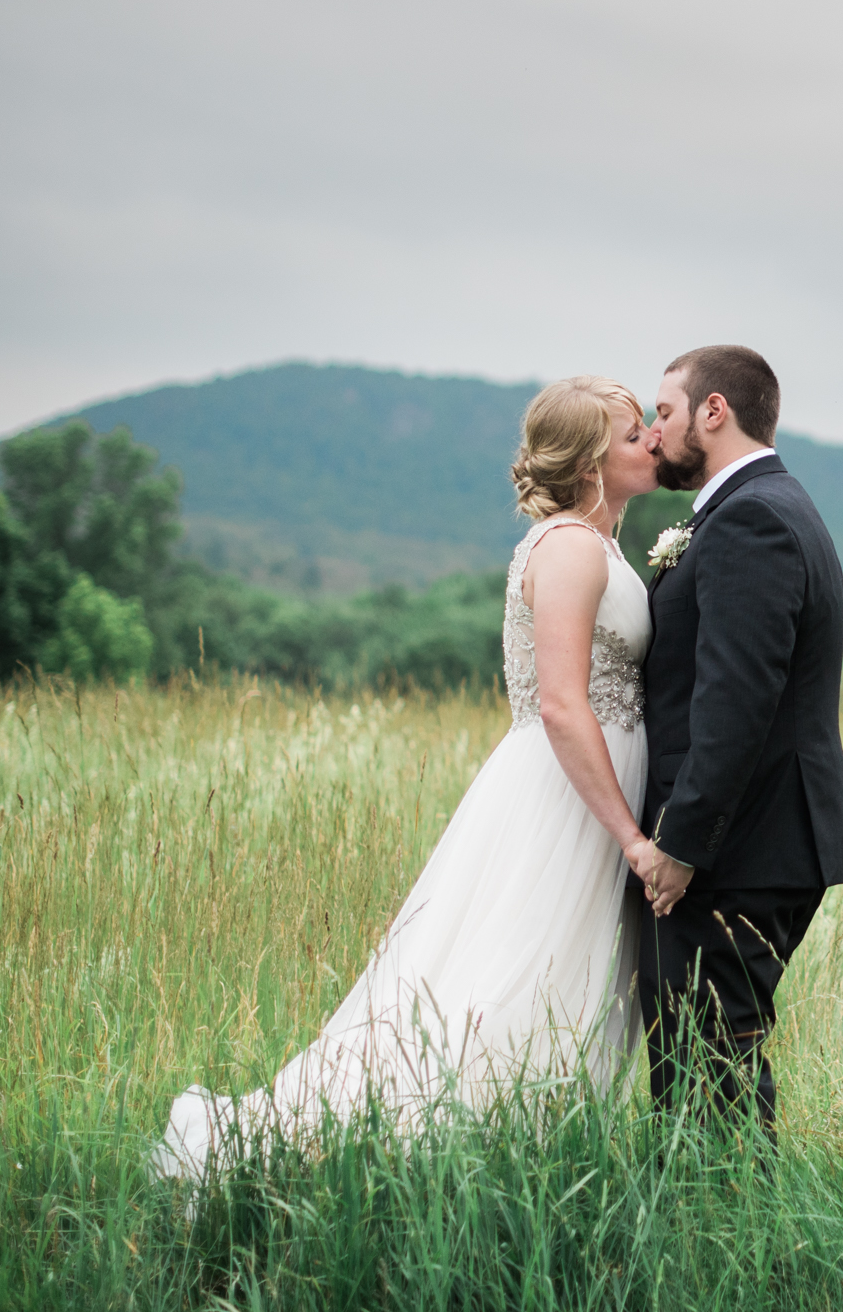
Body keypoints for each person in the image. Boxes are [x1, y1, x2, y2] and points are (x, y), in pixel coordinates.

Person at [152, 375, 676, 1177]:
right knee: (511, 979)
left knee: (558, 982)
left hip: (590, 788)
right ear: (590, 457)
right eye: (632, 429)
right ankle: (393, 1151)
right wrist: (633, 839)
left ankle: (521, 1163)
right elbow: (565, 707)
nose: (650, 440)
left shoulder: (597, 543)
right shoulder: (569, 545)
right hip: (568, 797)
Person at [632, 344, 843, 1135]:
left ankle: (725, 1235)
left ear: (714, 410)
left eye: (664, 411)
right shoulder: (766, 505)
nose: (653, 430)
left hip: (741, 847)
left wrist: (682, 842)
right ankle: (721, 1228)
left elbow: (735, 701)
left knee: (706, 1068)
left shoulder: (754, 519)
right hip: (759, 837)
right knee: (707, 1056)